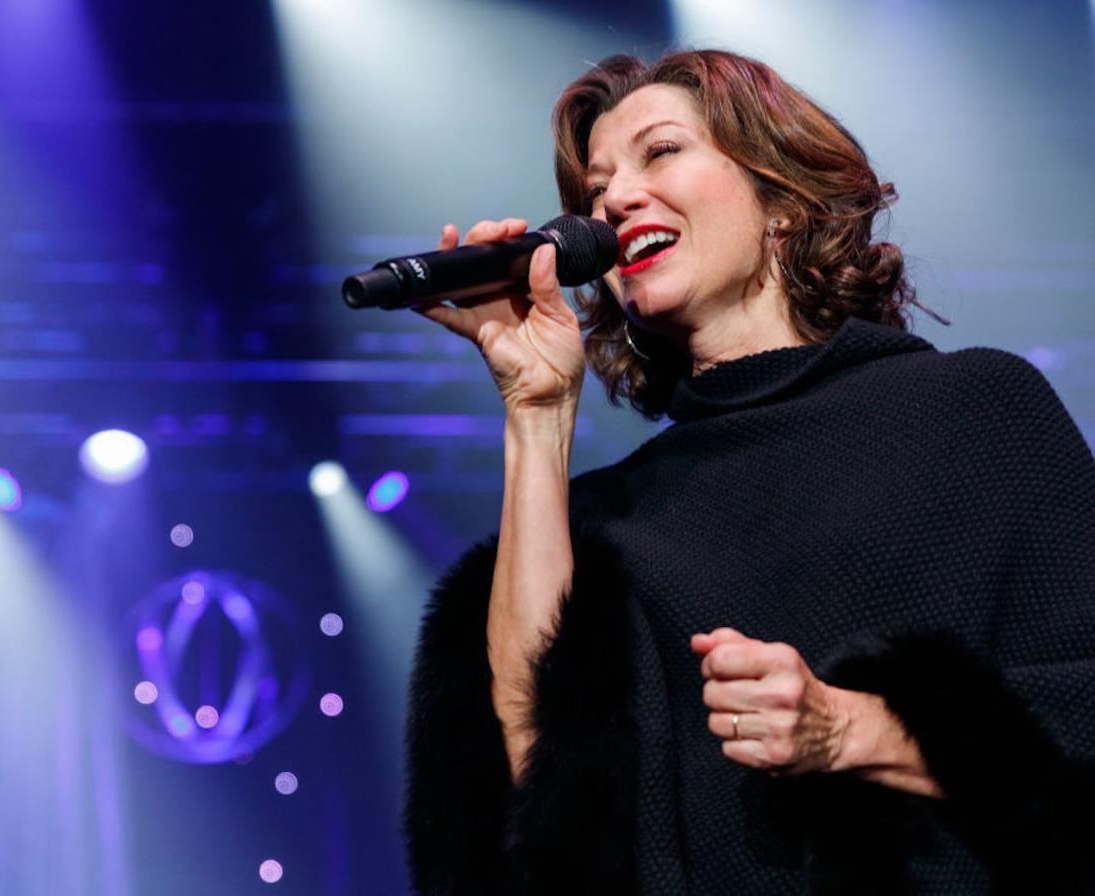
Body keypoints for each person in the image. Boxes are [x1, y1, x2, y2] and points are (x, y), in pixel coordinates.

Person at [403, 49, 1095, 894]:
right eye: (595, 190)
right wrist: (536, 409)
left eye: (661, 153)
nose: (616, 199)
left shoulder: (976, 412)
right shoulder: (604, 522)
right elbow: (532, 797)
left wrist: (857, 730)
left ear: (781, 197)